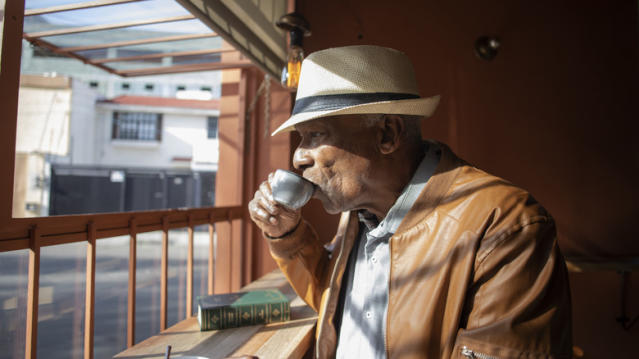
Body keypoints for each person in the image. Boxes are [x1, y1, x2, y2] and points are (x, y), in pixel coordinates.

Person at [248, 45, 572, 359]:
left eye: (315, 134)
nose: (298, 156)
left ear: (387, 134)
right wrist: (285, 234)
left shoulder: (505, 225)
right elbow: (337, 305)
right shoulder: (362, 212)